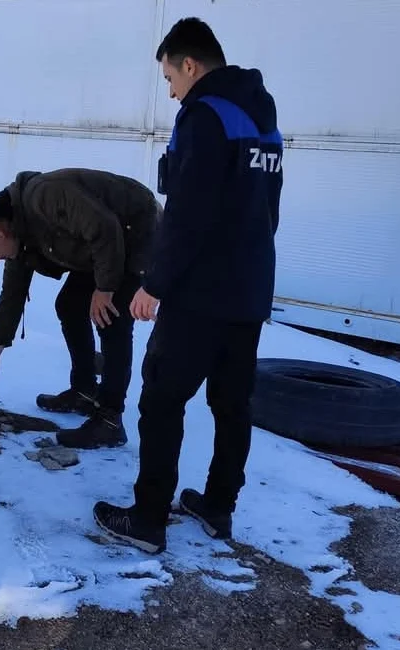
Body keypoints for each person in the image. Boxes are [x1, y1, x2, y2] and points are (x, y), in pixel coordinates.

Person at [93, 17, 284, 554]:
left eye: (170, 78)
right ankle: (218, 506)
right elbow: (269, 209)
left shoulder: (202, 116)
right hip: (248, 289)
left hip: (200, 292)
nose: (171, 90)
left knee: (161, 400)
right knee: (231, 404)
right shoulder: (261, 118)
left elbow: (187, 211)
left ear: (189, 64)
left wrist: (156, 282)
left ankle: (149, 519)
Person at [0, 168, 161, 448]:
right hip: (100, 247)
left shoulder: (46, 196)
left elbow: (105, 227)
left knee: (110, 318)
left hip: (135, 231)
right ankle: (85, 391)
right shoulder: (17, 235)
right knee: (69, 305)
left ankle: (110, 420)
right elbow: (12, 296)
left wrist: (105, 289)